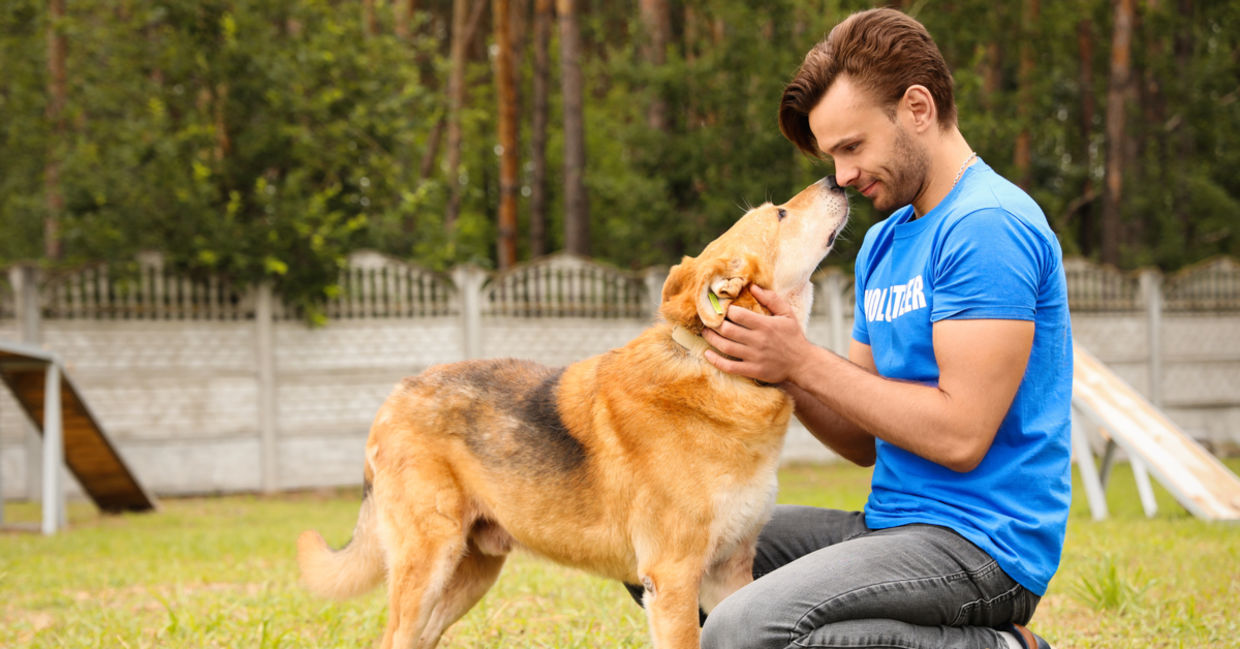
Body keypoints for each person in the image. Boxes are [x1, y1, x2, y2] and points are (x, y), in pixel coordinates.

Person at [697, 8, 1071, 649]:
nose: (841, 176)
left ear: (918, 108)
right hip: (889, 525)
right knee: (685, 548)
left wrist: (802, 363)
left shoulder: (987, 225)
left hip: (981, 545)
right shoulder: (885, 241)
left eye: (852, 147)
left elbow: (960, 436)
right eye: (832, 154)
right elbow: (863, 441)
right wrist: (775, 362)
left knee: (740, 627)